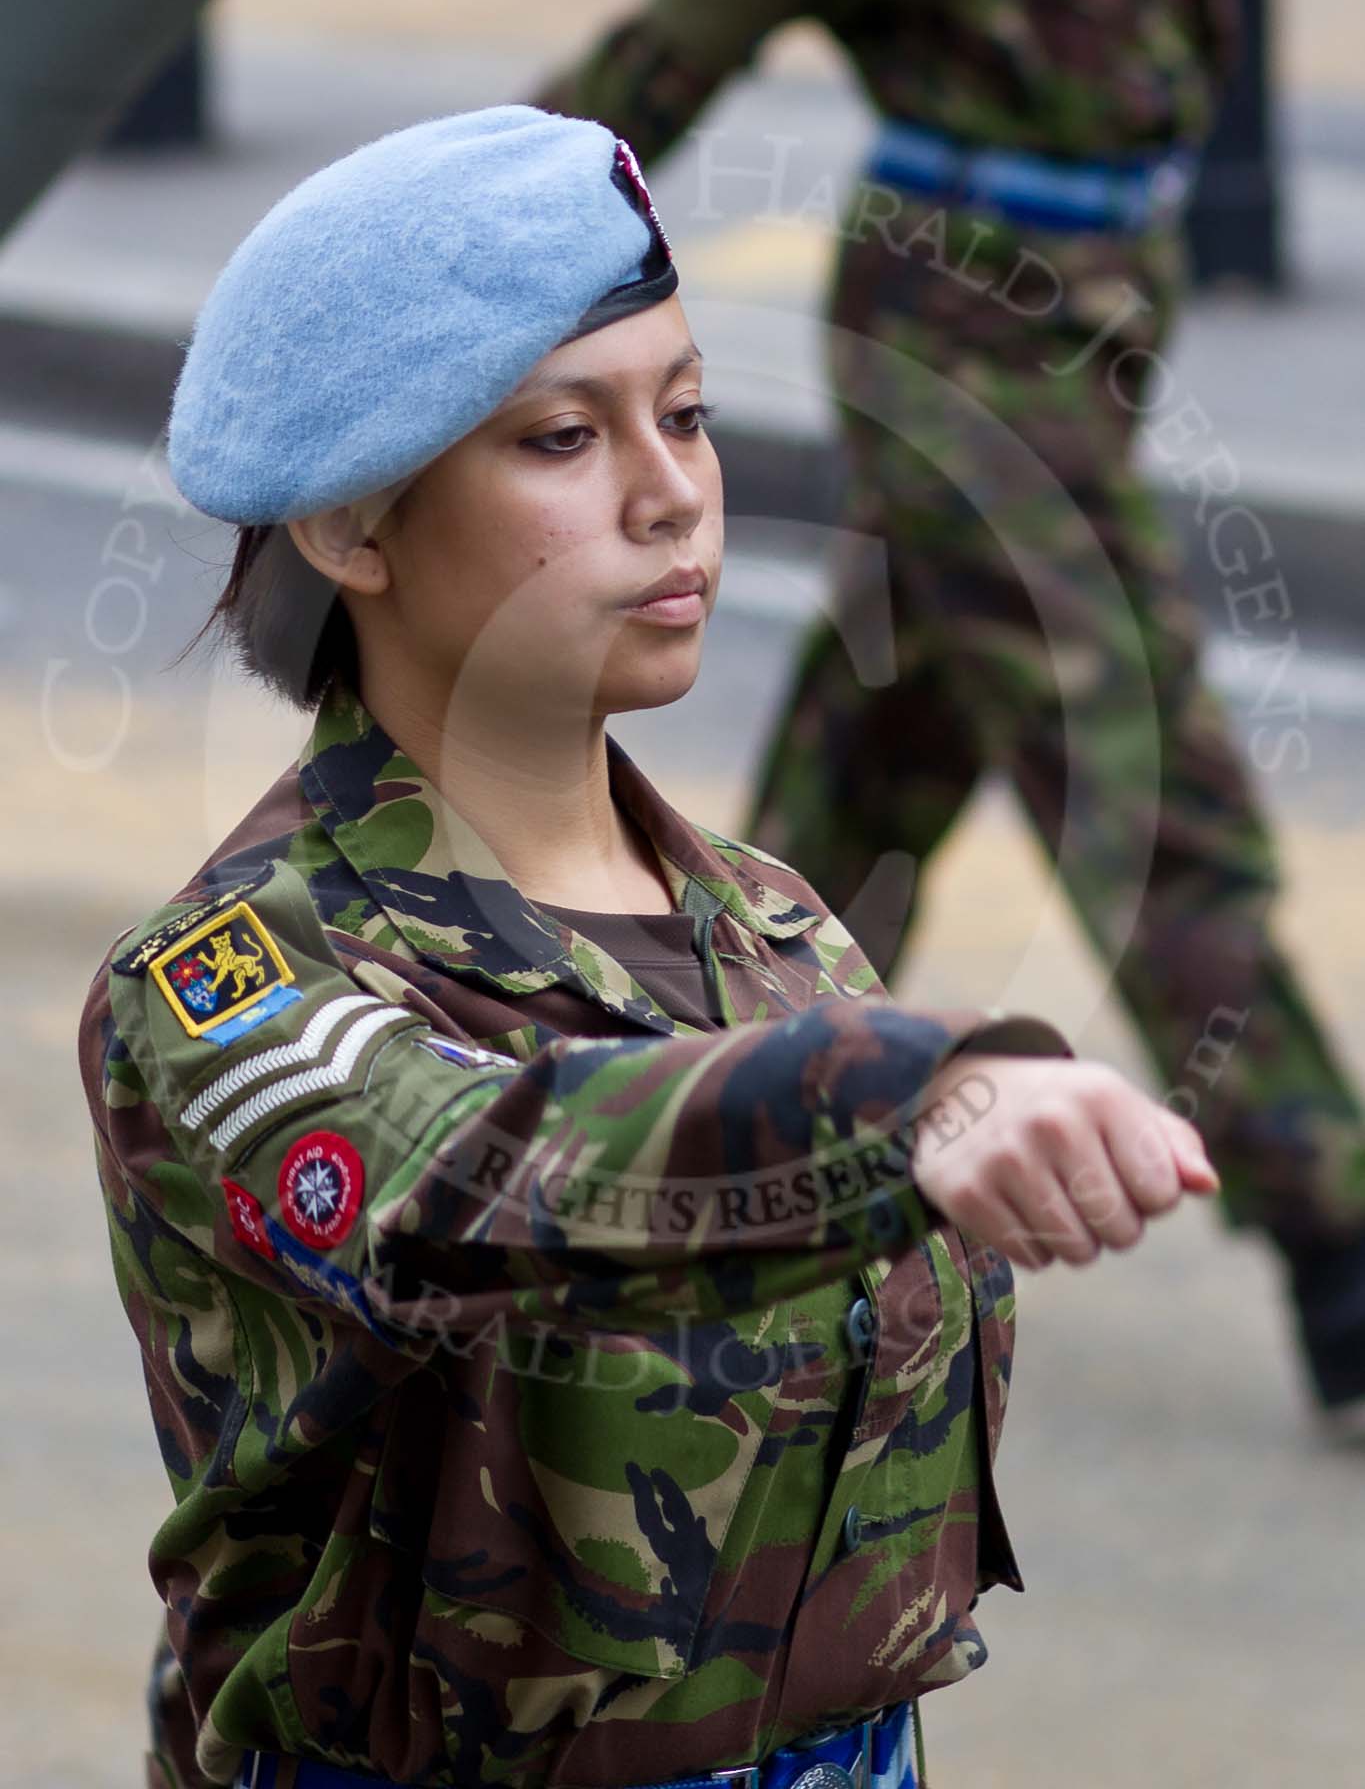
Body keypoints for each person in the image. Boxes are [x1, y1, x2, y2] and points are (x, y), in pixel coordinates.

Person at [78, 108, 1217, 1789]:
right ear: (348, 529)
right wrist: (894, 1095)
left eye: (683, 413)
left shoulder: (773, 930)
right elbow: (479, 1180)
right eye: (561, 438)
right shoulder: (231, 984)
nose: (674, 489)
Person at [536, 0, 1365, 1436]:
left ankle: (698, 1126)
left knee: (879, 754)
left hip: (1103, 307)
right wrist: (456, 262)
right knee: (1138, 770)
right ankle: (1340, 1235)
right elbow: (655, 63)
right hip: (964, 339)